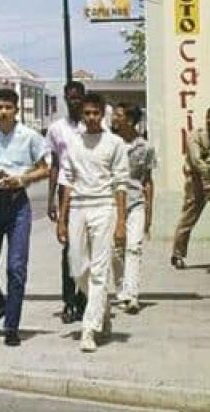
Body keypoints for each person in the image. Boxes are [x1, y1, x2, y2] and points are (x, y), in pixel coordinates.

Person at [0, 87, 48, 347]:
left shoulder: (29, 137)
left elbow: (45, 169)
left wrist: (22, 179)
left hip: (17, 205)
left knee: (16, 268)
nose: (3, 113)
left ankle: (11, 326)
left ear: (16, 110)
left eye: (8, 108)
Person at [56, 92, 128, 353]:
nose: (92, 118)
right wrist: (62, 219)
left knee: (99, 270)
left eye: (96, 113)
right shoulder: (73, 143)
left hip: (104, 207)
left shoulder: (115, 143)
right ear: (82, 115)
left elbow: (121, 184)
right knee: (77, 268)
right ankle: (103, 308)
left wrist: (121, 221)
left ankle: (89, 328)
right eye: (87, 113)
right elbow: (67, 181)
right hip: (78, 207)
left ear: (103, 114)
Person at [171, 105, 210, 269]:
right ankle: (177, 255)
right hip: (197, 184)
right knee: (188, 220)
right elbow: (196, 161)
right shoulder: (196, 135)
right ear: (206, 117)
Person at [46, 79, 88, 323]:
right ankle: (69, 301)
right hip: (65, 191)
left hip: (90, 189)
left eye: (78, 97)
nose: (75, 101)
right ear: (65, 98)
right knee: (69, 248)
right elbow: (53, 165)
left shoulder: (94, 123)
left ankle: (83, 300)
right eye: (70, 97)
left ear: (83, 97)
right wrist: (51, 199)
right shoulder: (56, 129)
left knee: (87, 248)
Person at [111, 103, 155, 312]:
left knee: (134, 247)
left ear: (129, 120)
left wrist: (149, 211)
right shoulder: (110, 144)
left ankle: (132, 294)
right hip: (112, 202)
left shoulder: (145, 147)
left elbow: (147, 180)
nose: (114, 119)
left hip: (136, 202)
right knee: (115, 249)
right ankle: (121, 290)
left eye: (118, 115)